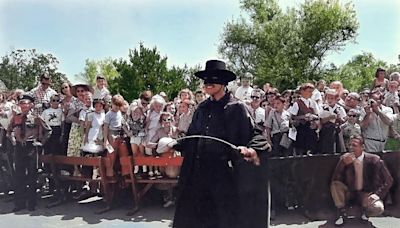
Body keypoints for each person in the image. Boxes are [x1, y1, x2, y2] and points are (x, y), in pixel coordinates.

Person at [172, 59, 270, 228]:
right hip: (198, 174)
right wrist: (174, 144)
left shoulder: (237, 107)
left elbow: (256, 136)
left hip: (224, 176)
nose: (208, 83)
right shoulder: (202, 108)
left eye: (213, 79)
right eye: (205, 80)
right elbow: (193, 137)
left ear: (223, 82)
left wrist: (251, 150)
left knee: (223, 218)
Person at [331, 136, 393, 226]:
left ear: (362, 147)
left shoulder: (374, 160)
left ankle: (365, 214)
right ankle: (341, 213)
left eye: (354, 145)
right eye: (350, 145)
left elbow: (389, 180)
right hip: (349, 192)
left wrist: (377, 195)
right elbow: (335, 179)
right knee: (335, 185)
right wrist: (343, 164)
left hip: (366, 193)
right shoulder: (344, 159)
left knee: (378, 208)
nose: (351, 148)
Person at [9, 94, 51, 212]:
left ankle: (31, 203)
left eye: (25, 103)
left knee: (32, 176)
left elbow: (48, 130)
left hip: (31, 147)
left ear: (31, 105)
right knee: (19, 176)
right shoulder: (16, 117)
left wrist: (41, 143)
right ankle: (19, 203)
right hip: (19, 147)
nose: (23, 105)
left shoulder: (36, 118)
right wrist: (13, 139)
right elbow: (10, 130)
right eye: (21, 103)